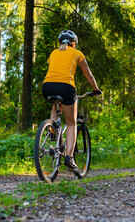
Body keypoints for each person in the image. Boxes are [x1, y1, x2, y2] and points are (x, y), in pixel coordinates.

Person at [42, 30, 101, 171]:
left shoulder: (53, 53)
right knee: (72, 122)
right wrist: (96, 89)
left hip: (47, 86)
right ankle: (69, 157)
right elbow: (88, 74)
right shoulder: (77, 53)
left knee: (57, 104)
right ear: (73, 43)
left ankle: (52, 130)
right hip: (66, 87)